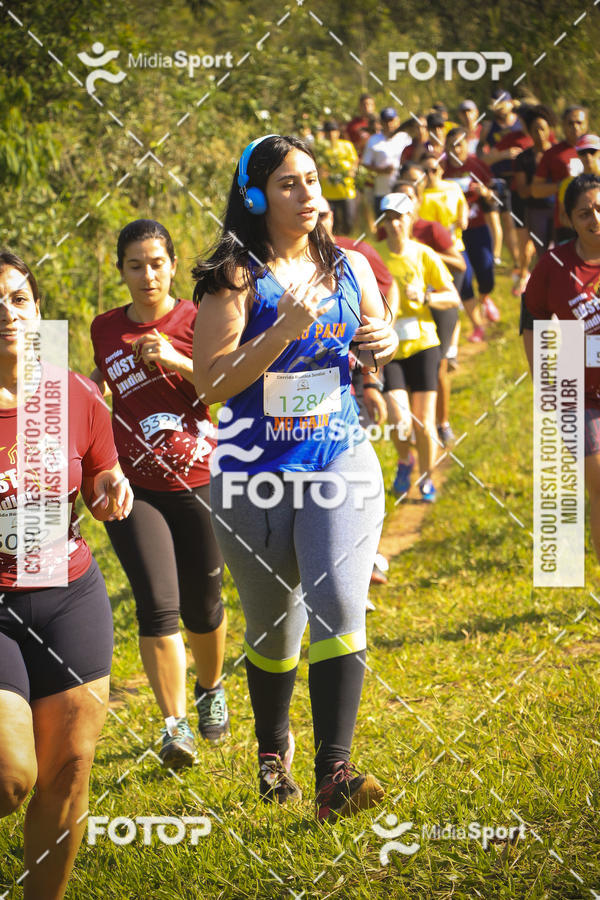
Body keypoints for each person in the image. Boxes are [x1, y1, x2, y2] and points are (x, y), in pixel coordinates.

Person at [191, 134, 398, 821]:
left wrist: (386, 341)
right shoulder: (233, 278)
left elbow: (377, 333)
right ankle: (271, 749)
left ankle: (334, 775)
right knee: (275, 627)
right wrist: (280, 331)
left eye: (311, 179)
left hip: (339, 456)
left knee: (339, 600)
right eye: (288, 183)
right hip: (252, 473)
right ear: (254, 196)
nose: (307, 193)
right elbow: (210, 385)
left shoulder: (349, 265)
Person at [0, 251, 132, 900]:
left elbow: (103, 470)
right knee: (9, 778)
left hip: (68, 592)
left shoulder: (73, 391)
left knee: (71, 769)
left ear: (38, 312)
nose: (7, 313)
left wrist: (111, 489)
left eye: (18, 299)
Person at [90, 219, 229, 770]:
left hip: (200, 480)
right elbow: (98, 383)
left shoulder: (200, 319)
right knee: (156, 604)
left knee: (204, 604)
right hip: (135, 486)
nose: (147, 275)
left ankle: (210, 687)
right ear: (120, 271)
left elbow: (227, 387)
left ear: (173, 265)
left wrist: (174, 359)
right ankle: (175, 728)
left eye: (156, 263)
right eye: (135, 265)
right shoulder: (105, 329)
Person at [523, 173, 600, 561]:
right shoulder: (554, 264)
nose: (595, 218)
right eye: (585, 213)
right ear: (570, 219)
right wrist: (543, 379)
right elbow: (531, 316)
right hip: (576, 387)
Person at [378, 192, 460, 501]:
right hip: (391, 348)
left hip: (424, 343)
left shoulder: (424, 254)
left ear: (411, 218)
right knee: (398, 419)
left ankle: (427, 478)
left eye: (399, 218)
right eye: (389, 218)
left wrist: (425, 297)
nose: (394, 224)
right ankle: (405, 461)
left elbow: (452, 297)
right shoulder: (373, 255)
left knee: (423, 423)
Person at [444, 128, 498, 333]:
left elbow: (495, 196)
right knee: (464, 278)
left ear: (467, 145)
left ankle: (485, 298)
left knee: (486, 271)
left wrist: (485, 193)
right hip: (454, 234)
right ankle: (478, 326)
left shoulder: (477, 165)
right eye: (451, 146)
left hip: (478, 228)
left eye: (459, 144)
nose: (456, 150)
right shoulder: (441, 169)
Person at [477, 90, 527, 268]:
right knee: (500, 220)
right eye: (495, 103)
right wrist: (503, 154)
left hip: (519, 179)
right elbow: (481, 156)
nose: (498, 107)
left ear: (511, 103)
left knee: (514, 222)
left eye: (501, 103)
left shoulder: (521, 123)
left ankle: (519, 262)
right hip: (497, 178)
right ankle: (502, 260)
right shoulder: (488, 127)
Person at [531, 105, 588, 242]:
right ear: (563, 126)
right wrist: (562, 185)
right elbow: (536, 190)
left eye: (579, 122)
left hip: (595, 222)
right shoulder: (553, 154)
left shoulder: (596, 149)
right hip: (566, 223)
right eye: (570, 123)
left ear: (586, 124)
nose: (575, 127)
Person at [513, 104, 556, 283]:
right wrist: (541, 187)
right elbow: (523, 192)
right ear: (529, 132)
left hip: (560, 210)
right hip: (535, 212)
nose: (539, 133)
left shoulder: (559, 154)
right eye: (535, 129)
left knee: (562, 248)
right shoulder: (523, 159)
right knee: (544, 253)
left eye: (543, 128)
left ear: (549, 129)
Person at [361, 107, 412, 216]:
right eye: (385, 121)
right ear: (381, 122)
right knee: (382, 220)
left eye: (391, 120)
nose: (389, 124)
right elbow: (365, 163)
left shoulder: (405, 138)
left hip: (401, 189)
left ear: (397, 120)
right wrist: (381, 170)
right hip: (381, 189)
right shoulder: (373, 140)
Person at [317, 120, 359, 235]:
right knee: (331, 225)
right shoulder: (321, 148)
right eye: (328, 131)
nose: (331, 134)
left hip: (346, 191)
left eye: (333, 130)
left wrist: (352, 171)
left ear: (338, 132)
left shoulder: (346, 145)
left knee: (349, 221)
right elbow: (316, 164)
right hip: (328, 192)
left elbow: (355, 161)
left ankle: (347, 240)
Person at [557, 134, 600, 237]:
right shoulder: (567, 184)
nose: (588, 156)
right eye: (583, 152)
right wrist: (583, 230)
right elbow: (563, 216)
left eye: (592, 151)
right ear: (577, 154)